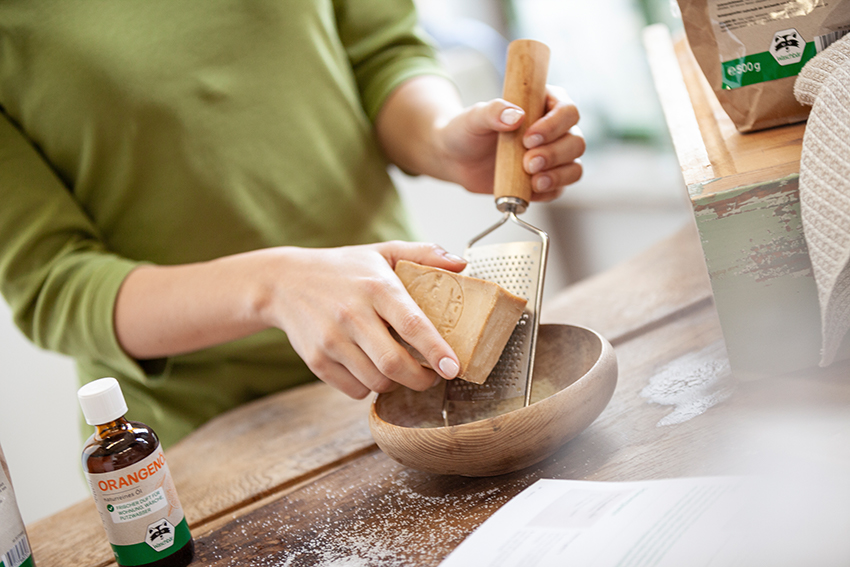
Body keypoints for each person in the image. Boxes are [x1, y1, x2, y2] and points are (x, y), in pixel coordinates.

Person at [0, 1, 585, 447]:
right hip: (205, 445)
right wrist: (273, 284)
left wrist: (440, 139)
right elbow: (54, 284)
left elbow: (381, 53)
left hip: (405, 381)